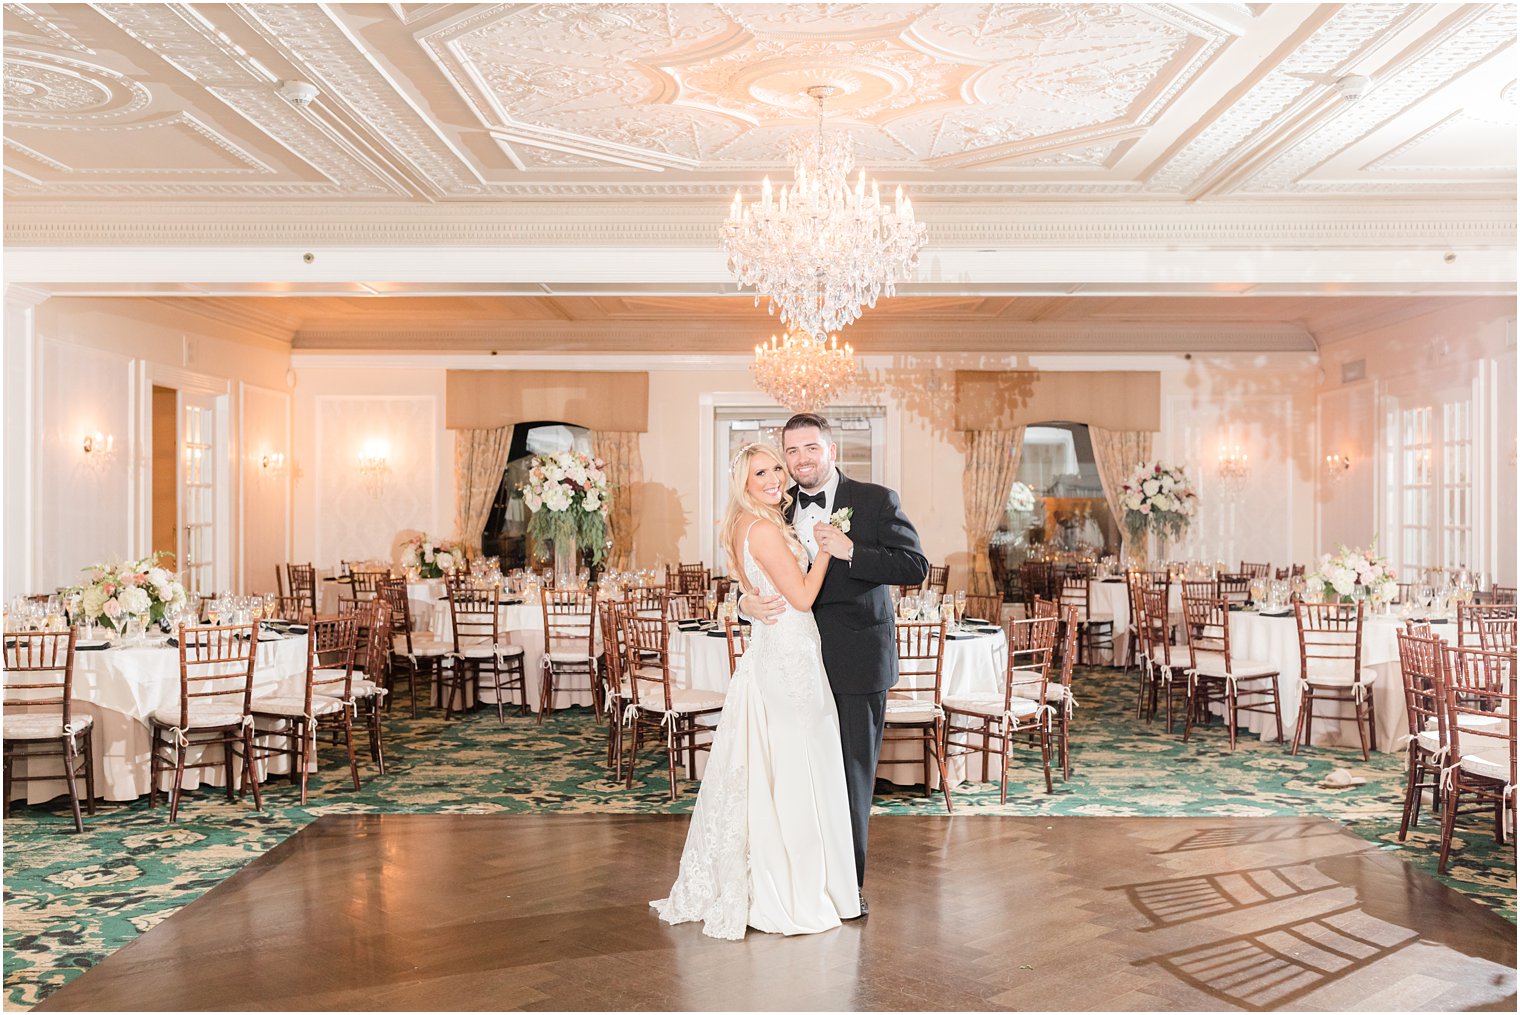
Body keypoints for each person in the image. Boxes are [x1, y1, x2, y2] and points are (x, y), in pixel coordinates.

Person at [651, 442, 860, 939]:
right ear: (743, 483)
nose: (772, 479)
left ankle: (782, 875)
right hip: (791, 659)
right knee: (795, 767)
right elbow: (804, 597)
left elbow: (753, 589)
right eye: (759, 473)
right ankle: (790, 887)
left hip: (774, 651)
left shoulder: (743, 526)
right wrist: (828, 548)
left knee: (777, 766)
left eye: (775, 470)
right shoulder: (765, 528)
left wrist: (746, 603)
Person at [742, 413, 929, 916]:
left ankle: (847, 889)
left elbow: (915, 567)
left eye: (810, 449)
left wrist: (853, 550)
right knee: (802, 778)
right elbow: (759, 573)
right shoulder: (775, 508)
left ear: (831, 449)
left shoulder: (873, 500)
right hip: (795, 663)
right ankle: (804, 885)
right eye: (792, 452)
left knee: (847, 780)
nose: (801, 461)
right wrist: (744, 605)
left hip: (856, 662)